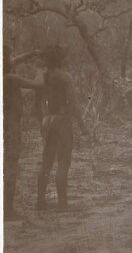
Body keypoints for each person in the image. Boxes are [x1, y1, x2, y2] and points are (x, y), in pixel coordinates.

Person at [37, 45, 87, 211]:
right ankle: (62, 203)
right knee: (63, 162)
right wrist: (82, 125)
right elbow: (72, 102)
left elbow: (38, 102)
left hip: (48, 118)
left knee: (46, 161)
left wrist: (42, 121)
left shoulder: (43, 76)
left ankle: (40, 201)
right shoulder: (65, 77)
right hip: (62, 120)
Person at [3, 45, 44, 219]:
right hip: (11, 125)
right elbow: (38, 84)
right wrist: (41, 70)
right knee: (11, 164)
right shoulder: (10, 78)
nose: (13, 58)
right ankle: (7, 210)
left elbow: (15, 60)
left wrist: (32, 52)